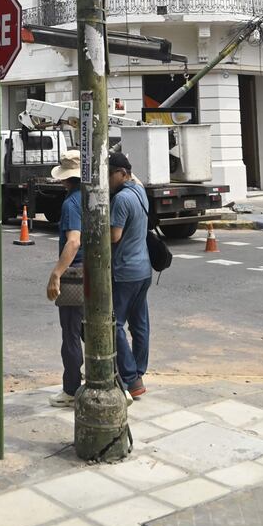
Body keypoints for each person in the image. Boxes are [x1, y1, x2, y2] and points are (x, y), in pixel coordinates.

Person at [108, 150, 152, 400]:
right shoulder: (139, 191)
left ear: (123, 174)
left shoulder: (122, 199)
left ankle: (131, 377)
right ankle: (139, 373)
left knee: (114, 325)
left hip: (125, 271)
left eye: (110, 174)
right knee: (140, 324)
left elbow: (114, 236)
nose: (107, 180)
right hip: (143, 270)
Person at [45, 149, 83, 407]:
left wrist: (56, 274)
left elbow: (73, 242)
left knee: (70, 333)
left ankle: (71, 388)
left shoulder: (71, 203)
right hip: (96, 271)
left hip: (75, 274)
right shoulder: (95, 197)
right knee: (92, 331)